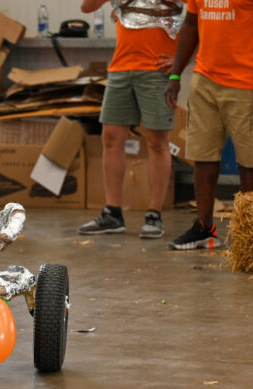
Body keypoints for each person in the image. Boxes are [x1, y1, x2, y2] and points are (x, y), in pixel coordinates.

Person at [78, 0, 182, 239]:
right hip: (120, 67)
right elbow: (86, 7)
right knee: (111, 138)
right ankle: (112, 213)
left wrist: (182, 59)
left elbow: (200, 17)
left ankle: (154, 215)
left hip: (157, 69)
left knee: (157, 140)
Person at [164, 0, 253, 250]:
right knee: (203, 155)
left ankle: (250, 234)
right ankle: (205, 229)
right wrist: (175, 74)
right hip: (204, 79)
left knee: (250, 162)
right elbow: (191, 24)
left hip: (247, 81)